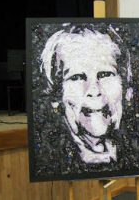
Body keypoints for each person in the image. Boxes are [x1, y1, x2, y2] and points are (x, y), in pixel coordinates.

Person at [40, 27, 133, 164]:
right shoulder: (49, 160)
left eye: (105, 74)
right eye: (77, 77)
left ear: (127, 90)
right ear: (56, 96)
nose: (94, 90)